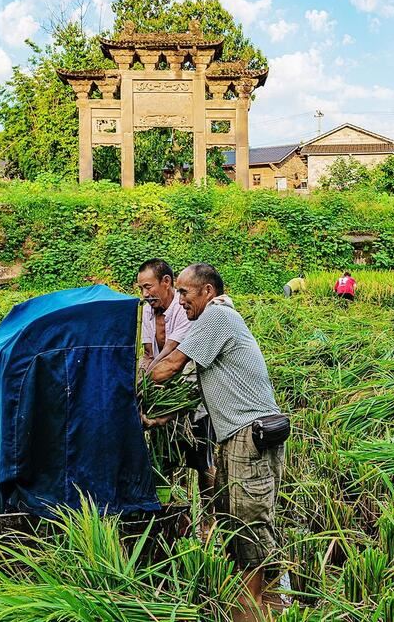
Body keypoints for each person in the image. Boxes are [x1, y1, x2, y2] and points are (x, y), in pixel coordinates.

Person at [149, 263, 285, 620]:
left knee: (248, 519)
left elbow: (171, 366)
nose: (179, 300)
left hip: (249, 435)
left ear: (207, 291)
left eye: (184, 292)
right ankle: (269, 597)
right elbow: (199, 387)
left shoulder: (217, 316)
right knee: (229, 513)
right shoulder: (213, 322)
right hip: (235, 436)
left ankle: (251, 605)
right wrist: (161, 416)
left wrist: (132, 386)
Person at [136, 258, 216, 523]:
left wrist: (143, 383)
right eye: (141, 289)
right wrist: (144, 379)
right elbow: (149, 355)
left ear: (166, 282)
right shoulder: (148, 313)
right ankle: (172, 520)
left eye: (148, 287)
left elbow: (172, 357)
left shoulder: (186, 310)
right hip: (163, 400)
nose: (145, 294)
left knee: (203, 463)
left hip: (190, 398)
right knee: (163, 462)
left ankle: (209, 521)